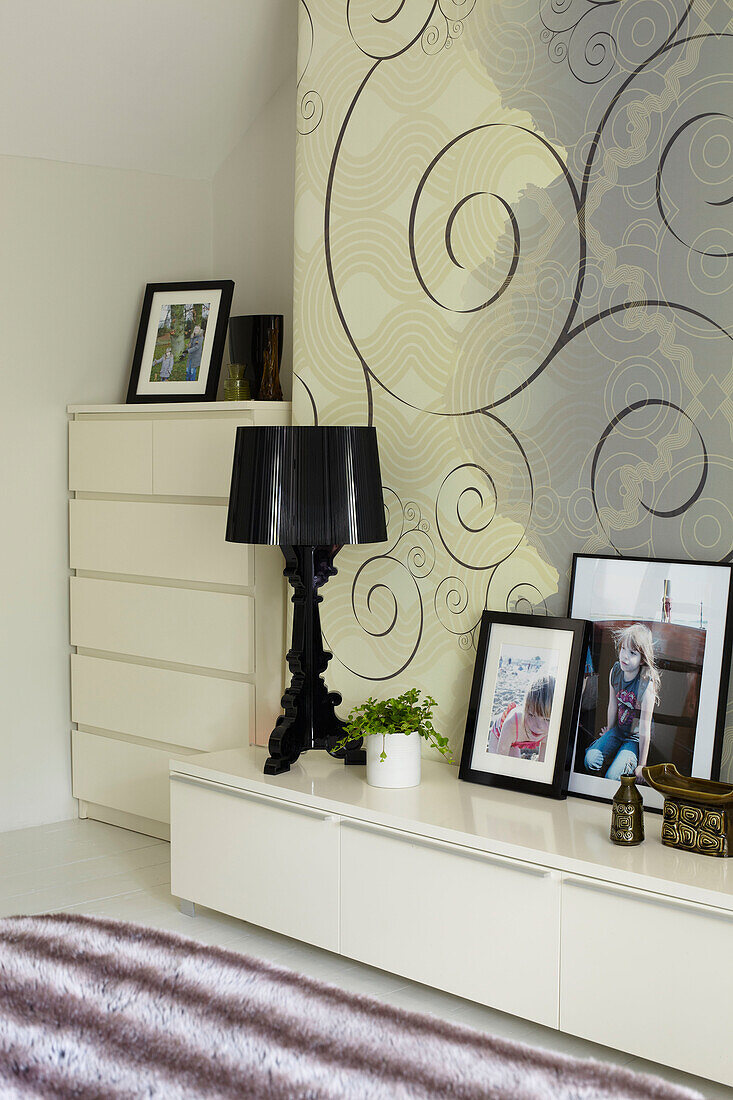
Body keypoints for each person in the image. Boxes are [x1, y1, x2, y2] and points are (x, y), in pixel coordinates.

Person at [584, 623, 660, 782]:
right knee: (590, 759)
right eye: (623, 649)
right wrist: (609, 732)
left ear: (641, 659)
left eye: (632, 653)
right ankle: (609, 762)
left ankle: (625, 762)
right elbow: (613, 705)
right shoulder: (616, 671)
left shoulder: (646, 685)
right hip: (619, 730)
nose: (625, 656)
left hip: (635, 738)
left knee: (612, 777)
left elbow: (645, 727)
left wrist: (642, 765)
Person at [490, 675, 556, 762]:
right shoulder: (512, 724)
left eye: (547, 719)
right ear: (525, 709)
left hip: (516, 740)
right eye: (531, 715)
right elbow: (500, 760)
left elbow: (542, 761)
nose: (538, 726)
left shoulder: (552, 729)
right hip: (500, 735)